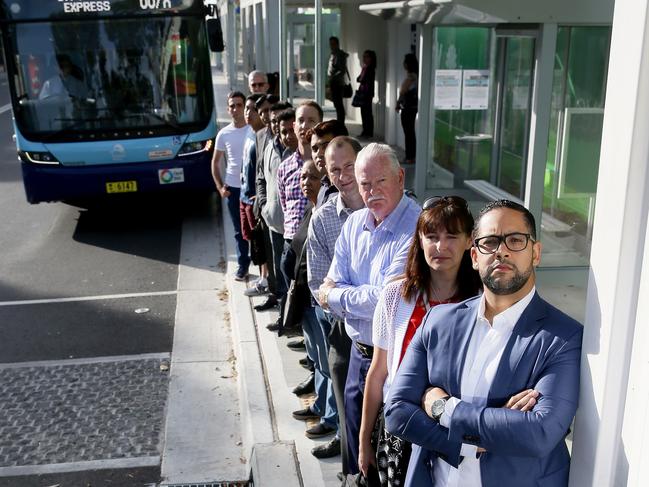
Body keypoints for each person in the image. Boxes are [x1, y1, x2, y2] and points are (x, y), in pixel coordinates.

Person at [385, 199, 583, 487]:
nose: (501, 250)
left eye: (515, 240)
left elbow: (540, 432)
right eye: (490, 242)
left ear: (536, 253)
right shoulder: (438, 321)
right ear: (475, 256)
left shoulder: (564, 336)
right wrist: (467, 443)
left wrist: (444, 408)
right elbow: (397, 411)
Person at [358, 196, 482, 485]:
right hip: (400, 429)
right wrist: (364, 441)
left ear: (469, 242)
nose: (441, 246)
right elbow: (378, 374)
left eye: (452, 236)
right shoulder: (395, 296)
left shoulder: (481, 302)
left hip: (452, 430)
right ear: (420, 240)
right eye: (432, 236)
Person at [318, 143, 421, 480]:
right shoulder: (356, 223)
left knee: (388, 462)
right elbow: (332, 278)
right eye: (365, 184)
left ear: (401, 177)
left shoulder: (416, 228)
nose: (372, 192)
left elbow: (384, 300)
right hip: (357, 356)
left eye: (380, 182)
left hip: (397, 365)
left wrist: (337, 298)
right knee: (356, 452)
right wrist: (344, 294)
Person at [307, 136, 364, 463]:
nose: (343, 176)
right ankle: (351, 473)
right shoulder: (323, 219)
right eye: (335, 170)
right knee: (349, 417)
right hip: (343, 333)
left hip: (391, 335)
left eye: (350, 167)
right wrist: (357, 304)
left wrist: (342, 294)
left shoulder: (389, 209)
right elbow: (318, 286)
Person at [274, 101, 323, 332]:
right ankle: (308, 345)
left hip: (318, 247)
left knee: (317, 306)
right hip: (292, 244)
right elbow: (284, 203)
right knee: (296, 301)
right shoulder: (284, 167)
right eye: (301, 121)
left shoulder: (325, 166)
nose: (305, 126)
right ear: (294, 126)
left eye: (312, 120)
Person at [255, 101, 293, 313]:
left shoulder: (297, 152)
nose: (278, 126)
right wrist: (263, 204)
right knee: (278, 267)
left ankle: (290, 316)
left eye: (285, 125)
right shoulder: (270, 146)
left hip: (292, 226)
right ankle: (282, 310)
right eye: (275, 122)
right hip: (273, 220)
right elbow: (261, 177)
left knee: (289, 271)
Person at [212, 91, 251, 281]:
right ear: (228, 109)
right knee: (239, 231)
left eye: (239, 105)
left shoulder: (253, 130)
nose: (236, 109)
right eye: (232, 106)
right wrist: (220, 187)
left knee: (254, 229)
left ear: (244, 107)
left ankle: (264, 269)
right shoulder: (223, 134)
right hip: (233, 188)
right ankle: (243, 265)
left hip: (250, 188)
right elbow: (215, 162)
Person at [239, 94, 266, 290]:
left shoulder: (263, 136)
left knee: (261, 241)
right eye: (246, 108)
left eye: (252, 109)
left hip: (254, 198)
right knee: (251, 239)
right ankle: (262, 276)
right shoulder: (249, 133)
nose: (248, 113)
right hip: (243, 195)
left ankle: (265, 278)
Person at [309, 120, 349, 208]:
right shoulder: (324, 186)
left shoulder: (352, 187)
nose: (319, 153)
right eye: (315, 149)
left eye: (326, 146)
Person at [396, 53, 418, 165]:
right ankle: (411, 156)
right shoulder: (417, 76)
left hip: (408, 108)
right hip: (413, 107)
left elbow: (403, 91)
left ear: (407, 64)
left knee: (408, 132)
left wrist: (398, 102)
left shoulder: (411, 77)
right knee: (410, 132)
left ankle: (410, 157)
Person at [327, 37, 349, 127]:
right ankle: (340, 123)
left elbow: (342, 70)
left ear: (337, 44)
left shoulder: (339, 55)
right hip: (334, 82)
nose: (331, 46)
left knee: (339, 105)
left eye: (333, 44)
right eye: (330, 44)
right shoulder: (334, 54)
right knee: (337, 105)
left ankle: (340, 124)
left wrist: (333, 77)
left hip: (337, 83)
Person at [356, 50, 376, 138]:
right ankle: (365, 131)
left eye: (366, 56)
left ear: (371, 58)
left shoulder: (370, 68)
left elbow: (362, 79)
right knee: (364, 113)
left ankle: (368, 132)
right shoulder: (365, 67)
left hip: (367, 94)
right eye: (364, 56)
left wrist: (361, 79)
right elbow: (358, 79)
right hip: (364, 93)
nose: (364, 58)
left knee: (367, 113)